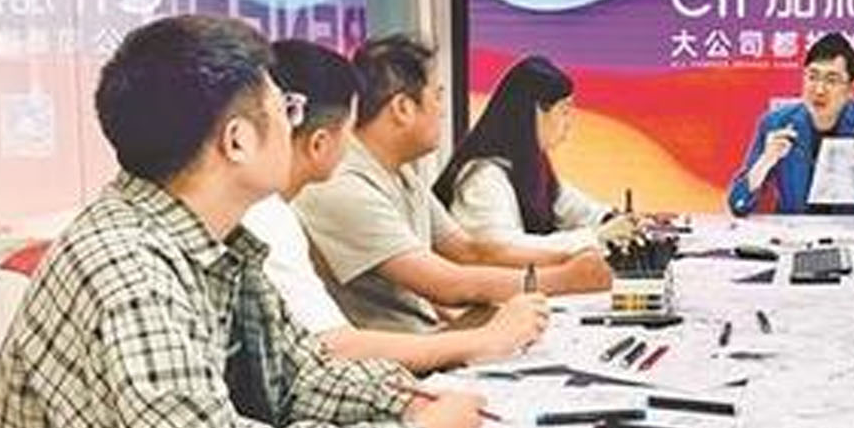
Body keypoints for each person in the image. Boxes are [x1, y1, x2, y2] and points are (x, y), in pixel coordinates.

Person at [0, 16, 483, 428]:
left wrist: (406, 402)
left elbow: (297, 374)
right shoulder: (127, 268)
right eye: (285, 109)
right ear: (236, 142)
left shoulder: (211, 237)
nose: (295, 125)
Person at [247, 40, 549, 371]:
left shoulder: (276, 210)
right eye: (437, 96)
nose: (443, 110)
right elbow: (334, 346)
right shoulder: (270, 214)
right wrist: (490, 337)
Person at [294, 36, 611, 334]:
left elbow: (468, 251)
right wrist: (564, 278)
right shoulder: (345, 186)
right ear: (403, 108)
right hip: (400, 357)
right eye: (437, 96)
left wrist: (568, 260)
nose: (443, 111)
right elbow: (447, 283)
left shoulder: (400, 172)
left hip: (429, 336)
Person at [434, 55, 638, 253]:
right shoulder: (483, 179)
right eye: (564, 111)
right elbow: (506, 249)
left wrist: (610, 219)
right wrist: (596, 236)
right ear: (534, 112)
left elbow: (568, 205)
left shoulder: (528, 165)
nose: (569, 123)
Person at [727, 32, 854, 216]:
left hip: (852, 230)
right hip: (795, 231)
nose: (819, 90)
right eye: (812, 77)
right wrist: (765, 162)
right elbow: (738, 205)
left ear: (852, 88)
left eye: (831, 80)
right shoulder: (776, 123)